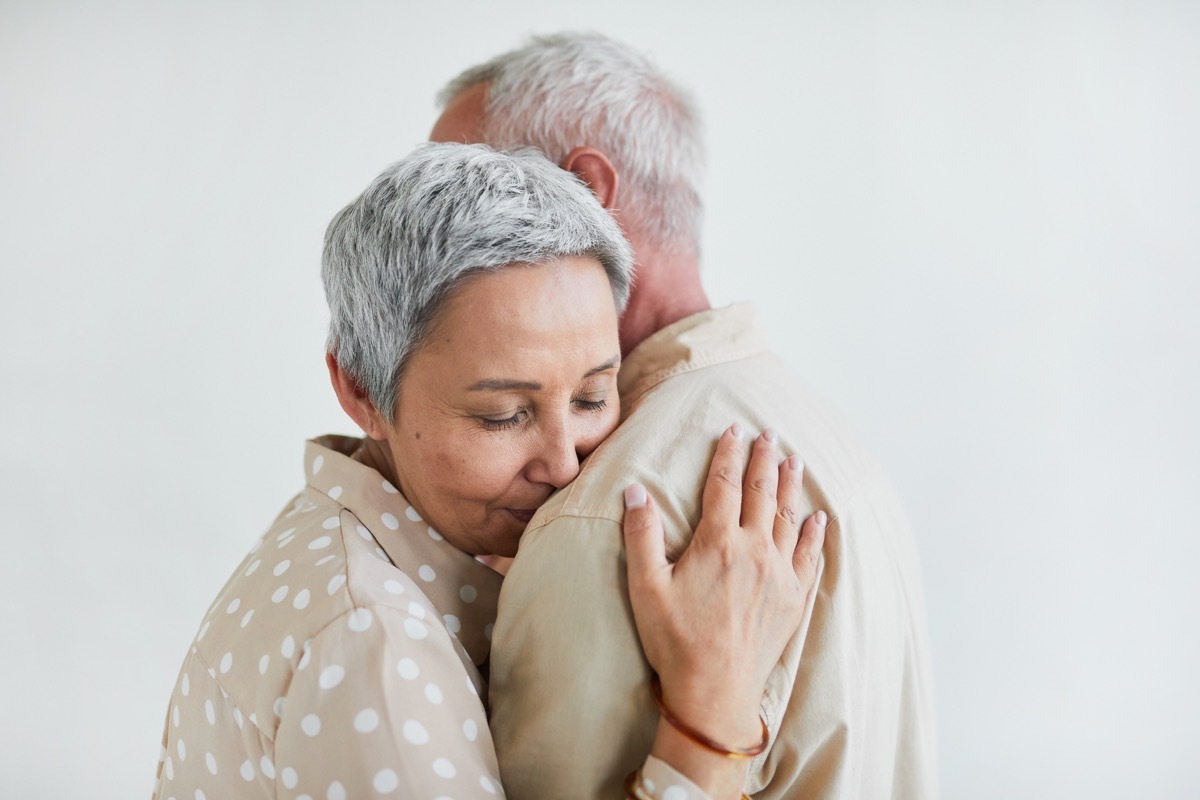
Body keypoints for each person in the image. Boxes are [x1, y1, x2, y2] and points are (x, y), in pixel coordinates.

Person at [152, 142, 826, 800]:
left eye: (593, 396)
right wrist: (711, 713)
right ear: (360, 390)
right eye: (502, 415)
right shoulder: (374, 649)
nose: (565, 464)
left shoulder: (385, 559)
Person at [431, 33, 940, 799]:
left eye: (459, 200)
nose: (431, 255)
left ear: (583, 195)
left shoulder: (601, 520)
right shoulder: (824, 436)